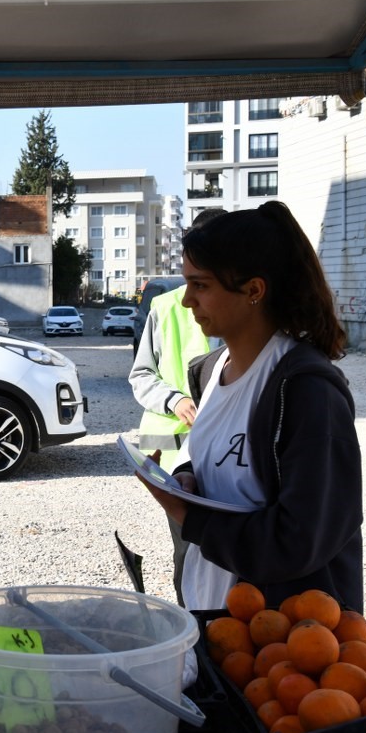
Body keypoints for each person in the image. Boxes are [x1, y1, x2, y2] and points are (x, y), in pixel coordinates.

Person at [137, 201, 363, 612]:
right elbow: (215, 459)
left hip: (286, 647)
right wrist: (186, 477)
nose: (187, 301)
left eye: (200, 285)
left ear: (254, 291)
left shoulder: (307, 391)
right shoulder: (212, 371)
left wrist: (190, 517)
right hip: (220, 626)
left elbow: (300, 540)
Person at [130, 207, 226, 604]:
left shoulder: (246, 308)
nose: (194, 298)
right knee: (189, 551)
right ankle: (192, 632)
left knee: (229, 557)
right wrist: (175, 400)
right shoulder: (166, 307)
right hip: (175, 455)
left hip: (226, 452)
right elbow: (141, 376)